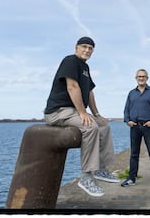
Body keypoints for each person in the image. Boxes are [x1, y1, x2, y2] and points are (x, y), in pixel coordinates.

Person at [44, 36, 120, 197]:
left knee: (104, 126)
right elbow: (72, 86)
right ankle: (86, 176)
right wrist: (82, 112)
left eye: (90, 48)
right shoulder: (70, 61)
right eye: (84, 46)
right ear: (76, 47)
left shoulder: (85, 67)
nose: (87, 50)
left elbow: (90, 92)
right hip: (59, 111)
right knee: (90, 127)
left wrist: (97, 114)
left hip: (74, 111)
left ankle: (101, 169)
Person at [121, 69, 150, 189]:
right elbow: (126, 110)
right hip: (134, 127)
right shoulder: (131, 93)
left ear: (147, 78)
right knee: (134, 154)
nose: (141, 78)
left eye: (143, 76)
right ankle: (131, 179)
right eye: (139, 76)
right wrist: (127, 120)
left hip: (148, 127)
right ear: (136, 78)